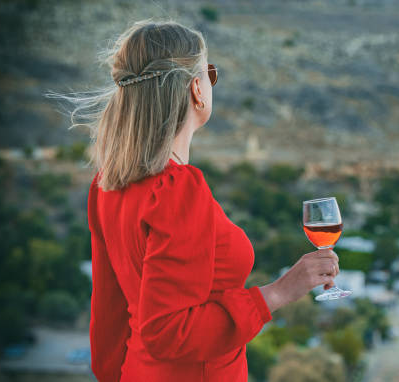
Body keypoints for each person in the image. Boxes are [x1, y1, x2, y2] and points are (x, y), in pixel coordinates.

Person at [73, 20, 340, 381]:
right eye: (209, 74)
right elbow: (170, 331)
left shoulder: (106, 185)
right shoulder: (176, 188)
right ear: (196, 89)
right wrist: (278, 292)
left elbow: (108, 317)